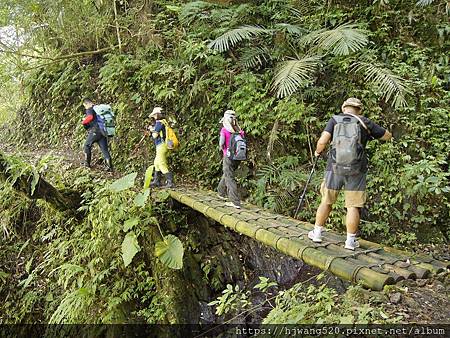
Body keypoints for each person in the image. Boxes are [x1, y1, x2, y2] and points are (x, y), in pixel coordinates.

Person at [308, 98, 392, 250]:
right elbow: (387, 136)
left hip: (334, 167)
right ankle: (350, 242)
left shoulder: (334, 120)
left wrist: (317, 152)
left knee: (327, 200)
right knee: (353, 205)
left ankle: (317, 233)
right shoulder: (365, 122)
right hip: (357, 169)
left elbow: (323, 141)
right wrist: (369, 135)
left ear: (344, 107)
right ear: (359, 110)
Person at [217, 110, 245, 209]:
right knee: (228, 173)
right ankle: (221, 193)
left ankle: (235, 202)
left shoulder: (224, 130)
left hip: (228, 156)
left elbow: (221, 143)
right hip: (238, 157)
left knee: (229, 177)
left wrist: (222, 148)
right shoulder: (239, 131)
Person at [82, 98, 113, 171]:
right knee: (104, 150)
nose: (85, 108)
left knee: (87, 145)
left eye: (84, 106)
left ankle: (87, 163)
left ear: (86, 104)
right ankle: (109, 167)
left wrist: (83, 122)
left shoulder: (90, 109)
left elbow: (90, 117)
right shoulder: (98, 109)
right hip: (103, 131)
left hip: (95, 131)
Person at [148, 107, 174, 188]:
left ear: (158, 114)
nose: (154, 116)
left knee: (161, 163)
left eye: (155, 114)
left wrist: (151, 131)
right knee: (156, 163)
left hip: (161, 145)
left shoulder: (159, 123)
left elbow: (155, 135)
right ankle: (157, 181)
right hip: (162, 145)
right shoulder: (164, 122)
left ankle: (170, 182)